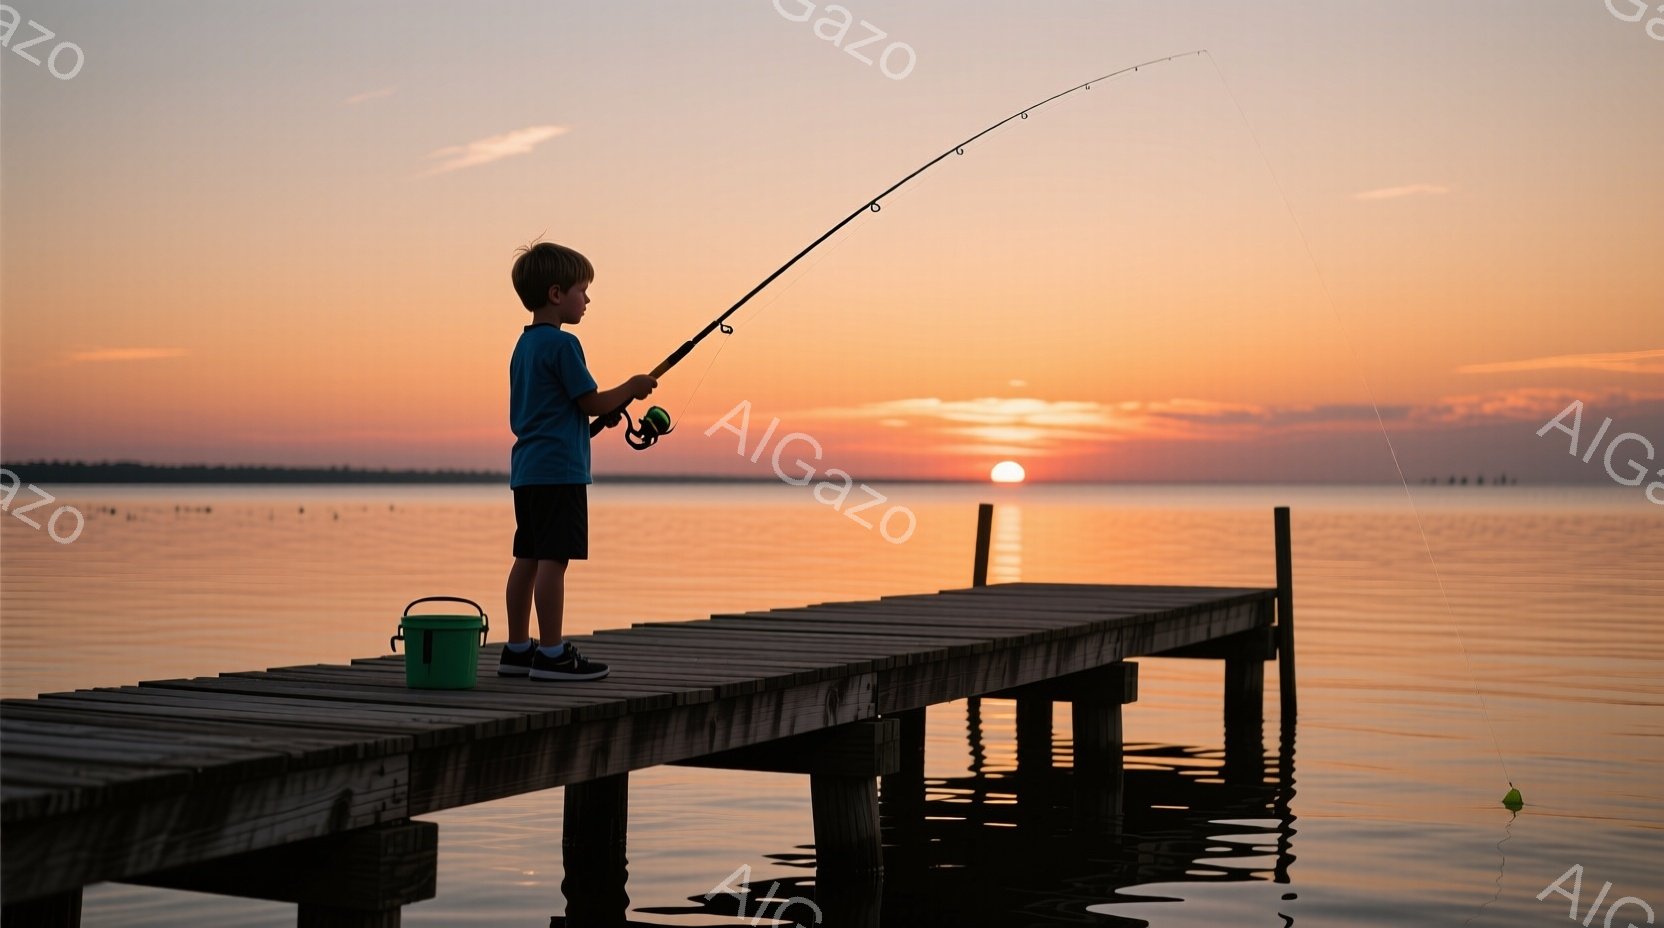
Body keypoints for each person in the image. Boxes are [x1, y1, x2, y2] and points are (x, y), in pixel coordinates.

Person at [499, 242, 655, 681]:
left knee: (527, 556)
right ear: (556, 294)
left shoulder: (523, 347)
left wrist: (596, 417)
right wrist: (632, 386)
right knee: (554, 559)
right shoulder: (565, 345)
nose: (587, 299)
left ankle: (516, 649)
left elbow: (555, 410)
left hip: (528, 470)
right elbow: (588, 401)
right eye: (582, 290)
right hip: (559, 472)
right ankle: (550, 654)